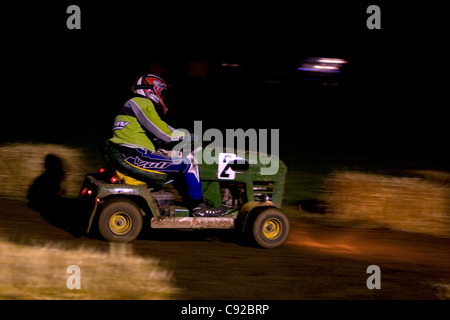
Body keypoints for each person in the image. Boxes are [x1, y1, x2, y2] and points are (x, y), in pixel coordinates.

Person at [108, 74, 226, 217]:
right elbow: (165, 133)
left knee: (182, 156)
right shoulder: (141, 103)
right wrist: (190, 136)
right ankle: (198, 206)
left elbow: (157, 137)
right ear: (153, 90)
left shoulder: (131, 105)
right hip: (135, 155)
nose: (163, 98)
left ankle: (191, 198)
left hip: (133, 153)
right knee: (188, 161)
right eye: (162, 93)